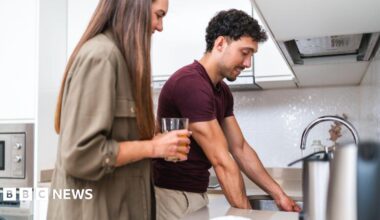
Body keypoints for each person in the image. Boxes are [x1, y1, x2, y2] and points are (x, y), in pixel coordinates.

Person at [47, 0, 191, 219]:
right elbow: (80, 155)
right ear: (136, 7)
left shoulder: (123, 61)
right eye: (159, 15)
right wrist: (153, 148)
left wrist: (155, 141)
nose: (160, 26)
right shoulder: (101, 57)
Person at [153, 9, 302, 219]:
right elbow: (222, 160)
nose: (248, 63)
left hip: (195, 194)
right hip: (173, 197)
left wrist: (279, 195)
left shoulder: (221, 91)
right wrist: (249, 216)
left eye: (251, 55)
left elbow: (240, 148)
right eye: (244, 52)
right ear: (220, 43)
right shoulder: (190, 84)